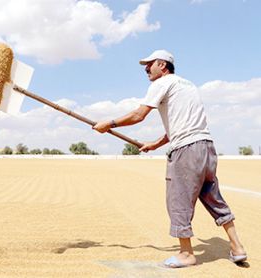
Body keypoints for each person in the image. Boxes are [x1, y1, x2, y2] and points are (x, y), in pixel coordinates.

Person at [93, 50, 247, 268]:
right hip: (206, 147)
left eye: (149, 65)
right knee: (213, 197)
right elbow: (180, 123)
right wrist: (156, 144)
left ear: (162, 64)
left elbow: (139, 115)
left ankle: (186, 254)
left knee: (178, 200)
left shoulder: (161, 83)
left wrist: (110, 123)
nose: (146, 69)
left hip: (186, 150)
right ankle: (237, 247)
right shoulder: (188, 85)